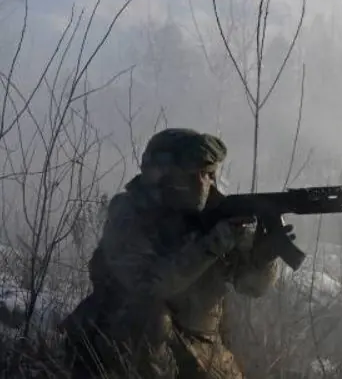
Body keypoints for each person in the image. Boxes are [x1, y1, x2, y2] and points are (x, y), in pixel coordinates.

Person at [60, 128, 289, 379]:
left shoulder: (215, 216)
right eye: (195, 174)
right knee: (149, 317)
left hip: (202, 350)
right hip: (125, 348)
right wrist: (211, 245)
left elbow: (251, 287)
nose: (205, 183)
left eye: (209, 174)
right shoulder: (130, 215)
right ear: (163, 176)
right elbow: (148, 285)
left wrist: (264, 259)